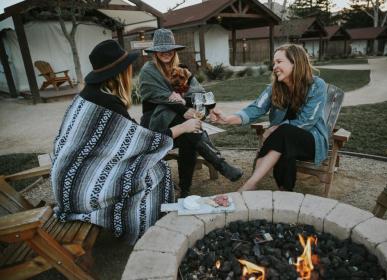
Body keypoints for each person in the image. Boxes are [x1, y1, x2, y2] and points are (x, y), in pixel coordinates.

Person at [51, 40, 201, 244]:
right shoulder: (107, 102)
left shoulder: (87, 95)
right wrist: (184, 127)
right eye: (128, 68)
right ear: (120, 73)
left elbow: (122, 141)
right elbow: (142, 141)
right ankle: (149, 232)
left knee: (149, 167)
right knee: (157, 172)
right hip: (80, 189)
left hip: (67, 180)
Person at [210, 44, 329, 192]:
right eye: (274, 63)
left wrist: (274, 128)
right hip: (283, 140)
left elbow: (307, 120)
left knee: (284, 132)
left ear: (295, 62)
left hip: (311, 142)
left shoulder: (317, 85)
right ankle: (284, 190)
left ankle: (251, 184)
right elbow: (255, 108)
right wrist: (227, 119)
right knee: (285, 144)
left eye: (279, 62)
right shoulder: (275, 88)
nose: (274, 67)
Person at [139, 28, 242, 197]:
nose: (165, 52)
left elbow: (198, 92)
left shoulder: (182, 69)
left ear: (174, 50)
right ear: (155, 51)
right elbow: (159, 97)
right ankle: (219, 163)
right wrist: (184, 109)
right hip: (155, 123)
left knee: (189, 137)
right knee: (188, 127)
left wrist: (211, 107)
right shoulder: (148, 70)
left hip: (179, 122)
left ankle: (185, 190)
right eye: (161, 49)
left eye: (169, 49)